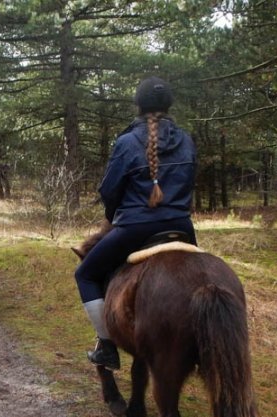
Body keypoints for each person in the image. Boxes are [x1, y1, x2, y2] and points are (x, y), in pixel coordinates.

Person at [75, 76, 198, 370]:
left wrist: (114, 215)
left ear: (138, 106)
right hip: (182, 227)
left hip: (135, 229)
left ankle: (106, 346)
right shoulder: (187, 140)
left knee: (86, 275)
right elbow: (190, 182)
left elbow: (108, 190)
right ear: (169, 105)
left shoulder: (127, 142)